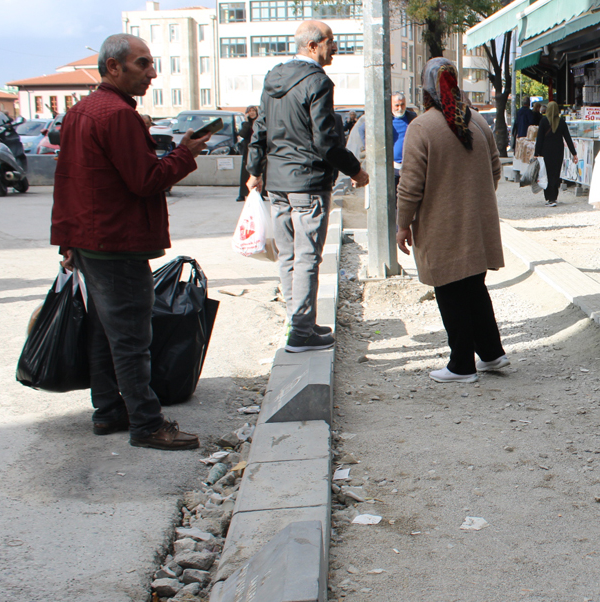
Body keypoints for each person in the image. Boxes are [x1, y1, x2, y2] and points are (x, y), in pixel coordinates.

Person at [52, 33, 208, 450]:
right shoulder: (115, 115)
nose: (152, 73)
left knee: (107, 331)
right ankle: (146, 421)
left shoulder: (83, 111)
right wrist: (185, 153)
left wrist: (68, 240)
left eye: (151, 63)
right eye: (143, 64)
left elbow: (70, 182)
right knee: (132, 336)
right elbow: (146, 181)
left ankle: (108, 410)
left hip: (93, 238)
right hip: (115, 240)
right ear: (114, 67)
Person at [246, 19, 369, 353]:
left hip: (278, 183)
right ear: (313, 46)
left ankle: (297, 322)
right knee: (306, 258)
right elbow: (327, 142)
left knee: (287, 256)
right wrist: (356, 171)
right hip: (309, 183)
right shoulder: (318, 82)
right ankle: (301, 332)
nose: (335, 47)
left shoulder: (274, 78)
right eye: (331, 41)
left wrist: (255, 170)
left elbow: (260, 129)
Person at [395, 58, 507, 384]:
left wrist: (403, 224)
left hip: (442, 226)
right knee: (474, 287)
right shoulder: (478, 122)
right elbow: (495, 170)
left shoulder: (422, 127)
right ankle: (491, 353)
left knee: (450, 291)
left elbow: (411, 184)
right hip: (477, 224)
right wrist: (475, 197)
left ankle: (461, 365)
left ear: (425, 87)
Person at [534, 101, 577, 207]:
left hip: (546, 151)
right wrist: (574, 153)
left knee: (547, 174)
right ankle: (554, 197)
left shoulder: (544, 121)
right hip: (558, 151)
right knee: (556, 173)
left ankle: (549, 197)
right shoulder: (561, 122)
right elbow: (568, 138)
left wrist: (537, 153)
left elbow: (540, 139)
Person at [391, 92, 417, 179]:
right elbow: (362, 129)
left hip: (409, 165)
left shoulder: (411, 117)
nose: (400, 108)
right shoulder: (385, 118)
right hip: (393, 167)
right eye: (396, 105)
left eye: (402, 105)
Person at [236, 105, 258, 201]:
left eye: (254, 111)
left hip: (257, 148)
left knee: (258, 170)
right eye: (250, 111)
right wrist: (246, 122)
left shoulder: (259, 122)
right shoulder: (246, 124)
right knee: (245, 171)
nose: (252, 112)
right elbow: (243, 134)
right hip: (247, 149)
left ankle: (259, 193)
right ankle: (242, 193)